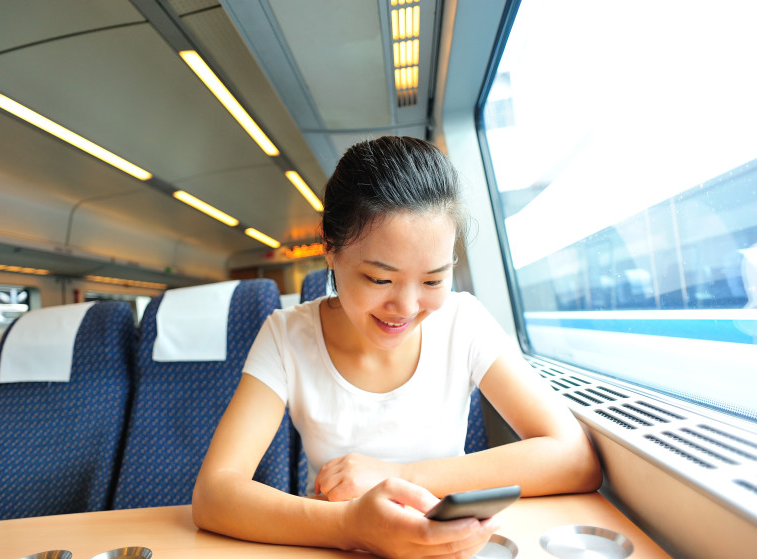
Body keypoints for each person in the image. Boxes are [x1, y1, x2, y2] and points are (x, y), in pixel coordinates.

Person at [192, 136, 601, 558]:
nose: (405, 308)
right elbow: (214, 493)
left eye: (433, 280)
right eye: (380, 280)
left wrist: (399, 475)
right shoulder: (286, 336)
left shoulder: (463, 321)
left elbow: (573, 457)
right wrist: (352, 527)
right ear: (330, 250)